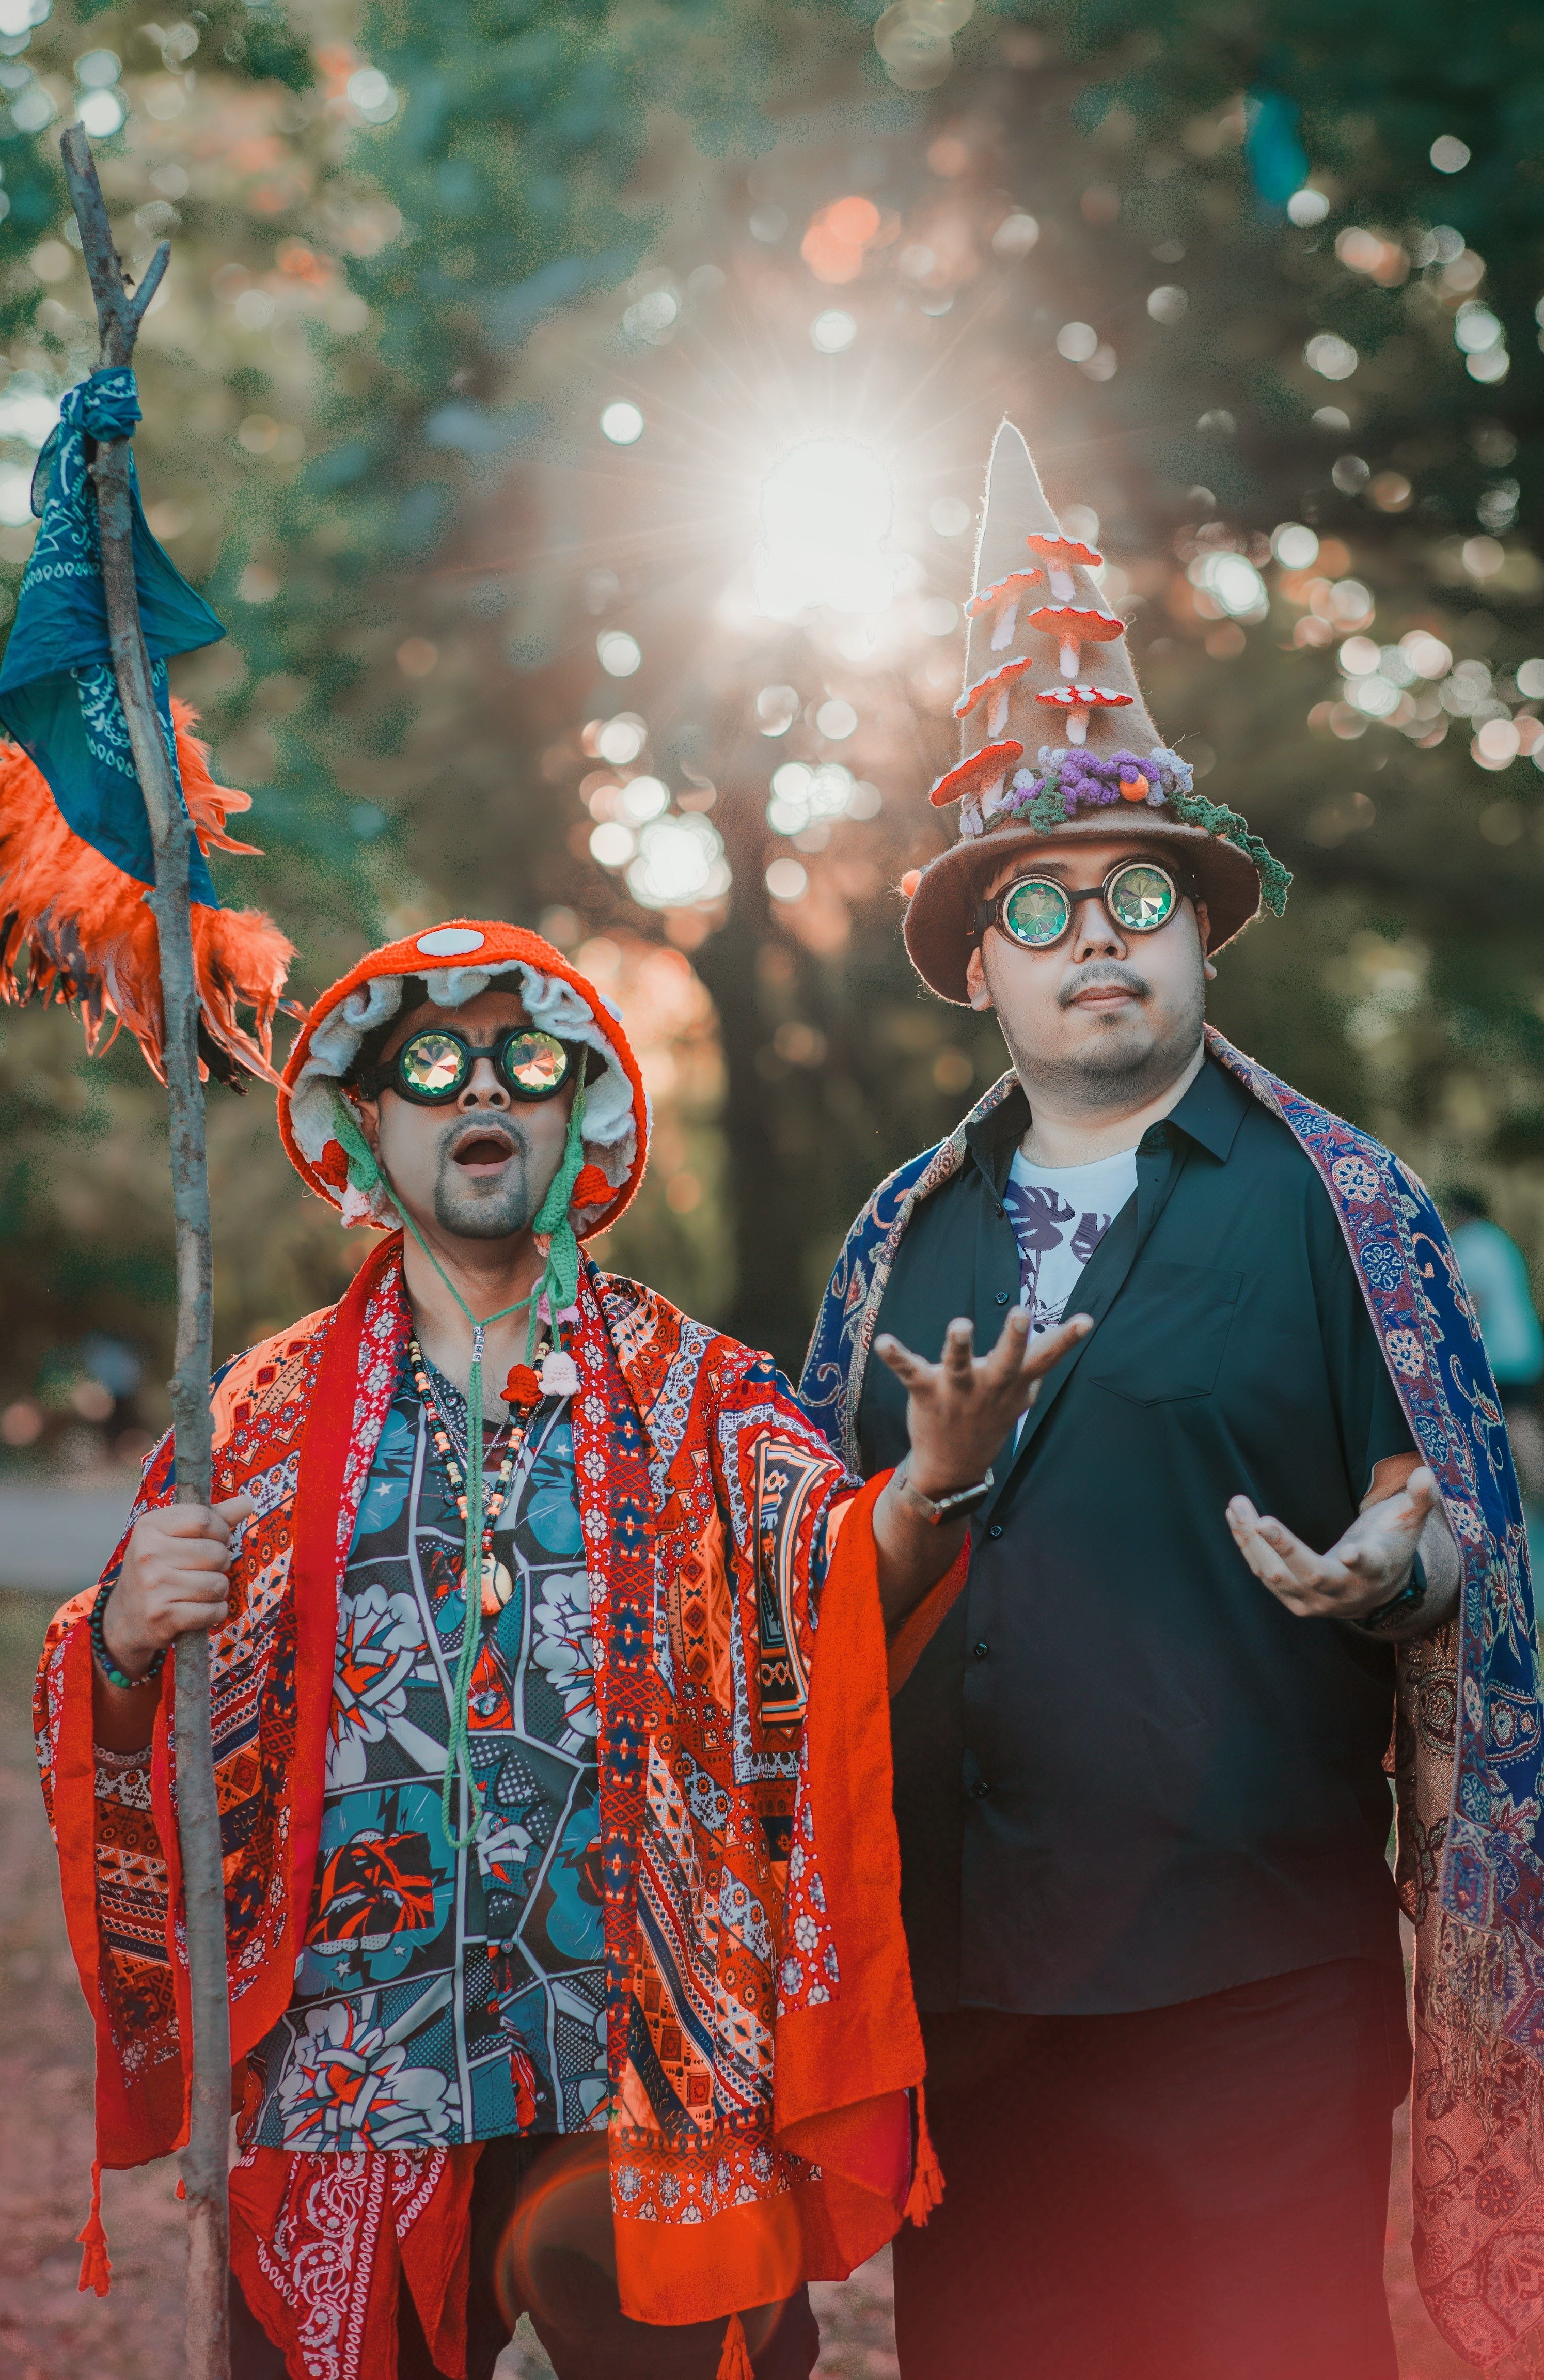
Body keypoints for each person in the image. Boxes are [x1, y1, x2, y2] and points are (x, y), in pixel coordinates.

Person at [34, 919, 1076, 2380]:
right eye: (433, 1066)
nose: (482, 1092)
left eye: (525, 1064)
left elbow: (836, 1580)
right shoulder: (253, 1424)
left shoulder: (704, 1391)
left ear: (577, 1113)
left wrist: (934, 1482)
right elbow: (115, 1694)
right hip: (351, 2070)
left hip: (638, 2068)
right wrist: (129, 1640)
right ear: (366, 1120)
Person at [800, 421, 1544, 2378]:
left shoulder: (1339, 1203)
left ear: (1200, 929)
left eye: (1136, 891)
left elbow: (1434, 1491)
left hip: (1256, 1978)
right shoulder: (896, 1240)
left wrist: (1390, 1562)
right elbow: (797, 1623)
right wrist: (923, 1496)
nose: (1095, 932)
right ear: (980, 967)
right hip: (983, 1985)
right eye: (1036, 906)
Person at [1448, 1186, 1544, 1502]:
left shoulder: (1471, 1243)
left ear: (1460, 1213)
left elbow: (1475, 1300)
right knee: (1519, 1420)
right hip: (1523, 1347)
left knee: (1514, 1423)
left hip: (1500, 1353)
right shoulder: (1498, 1240)